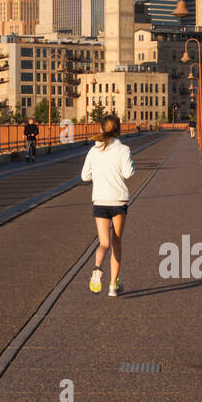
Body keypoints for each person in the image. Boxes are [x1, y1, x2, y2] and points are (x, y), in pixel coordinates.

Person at [80, 114, 135, 296]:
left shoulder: (94, 151)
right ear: (118, 129)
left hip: (100, 201)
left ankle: (97, 268)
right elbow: (128, 173)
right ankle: (113, 285)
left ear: (102, 128)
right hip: (118, 201)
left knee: (103, 242)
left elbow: (84, 176)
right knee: (116, 241)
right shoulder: (124, 150)